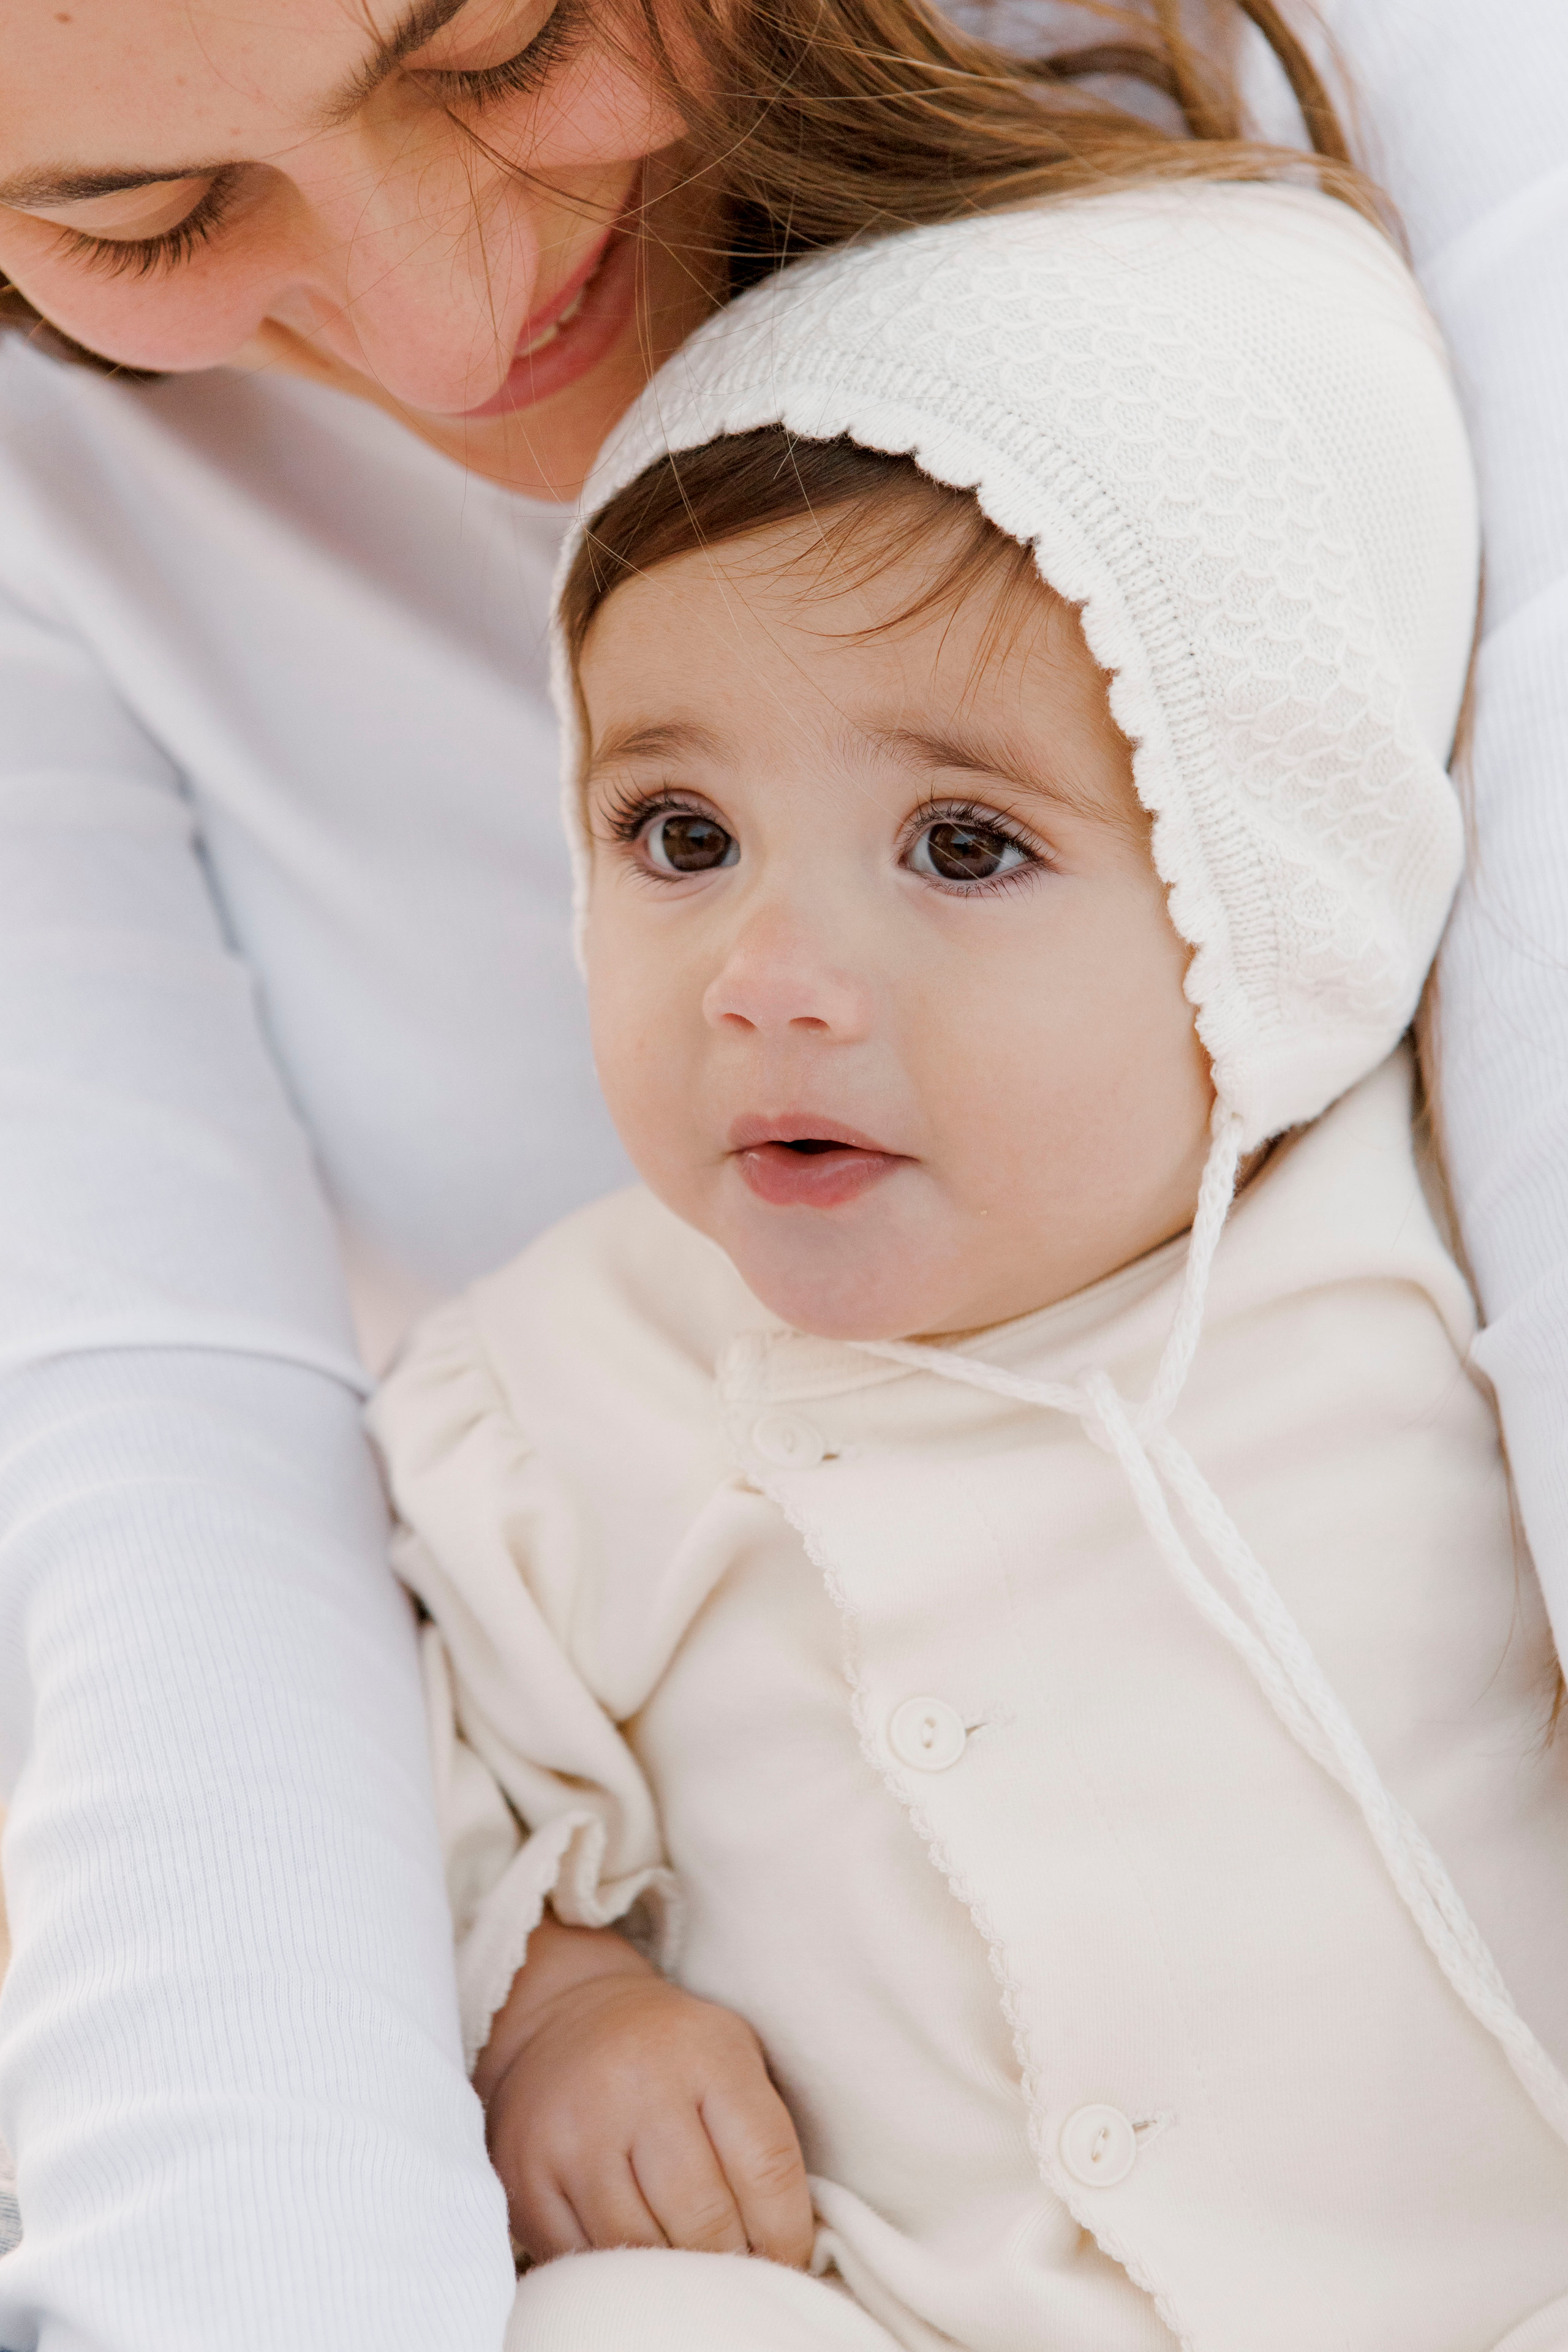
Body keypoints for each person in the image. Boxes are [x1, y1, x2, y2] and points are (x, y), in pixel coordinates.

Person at [0, 2, 1562, 2347]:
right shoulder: (549, 1396)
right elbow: (266, 1666)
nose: (451, 327)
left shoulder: (1392, 1246)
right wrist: (553, 2017)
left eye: (503, 43)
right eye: (136, 212)